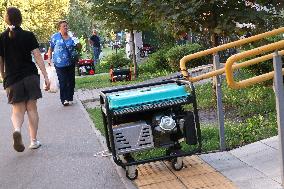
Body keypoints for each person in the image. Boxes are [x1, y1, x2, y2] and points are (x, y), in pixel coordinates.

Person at [0, 7, 50, 152]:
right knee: (32, 109)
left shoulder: (2, 38)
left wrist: (4, 77)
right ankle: (33, 141)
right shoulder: (28, 35)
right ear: (20, 19)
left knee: (17, 111)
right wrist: (46, 76)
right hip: (30, 76)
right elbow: (37, 55)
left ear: (6, 19)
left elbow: (1, 61)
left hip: (12, 78)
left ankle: (17, 130)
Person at [47, 20, 80, 106]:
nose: (65, 27)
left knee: (71, 81)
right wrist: (49, 59)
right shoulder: (55, 37)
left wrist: (77, 42)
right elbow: (50, 49)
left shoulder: (72, 37)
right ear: (59, 28)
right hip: (59, 63)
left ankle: (70, 97)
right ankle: (64, 99)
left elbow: (78, 48)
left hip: (70, 62)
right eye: (63, 26)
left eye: (66, 26)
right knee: (63, 81)